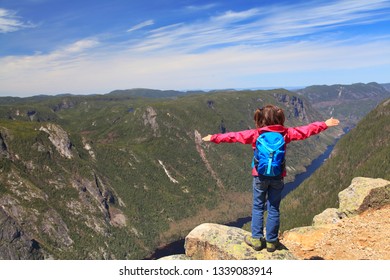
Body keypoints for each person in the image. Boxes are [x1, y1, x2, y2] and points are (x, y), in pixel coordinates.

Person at [202, 104, 340, 252]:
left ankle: (256, 239)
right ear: (279, 118)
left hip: (259, 177)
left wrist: (213, 138)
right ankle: (271, 241)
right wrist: (324, 124)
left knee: (258, 207)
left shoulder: (256, 134)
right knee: (273, 208)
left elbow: (233, 136)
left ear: (260, 120)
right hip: (277, 176)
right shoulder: (285, 133)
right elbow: (306, 131)